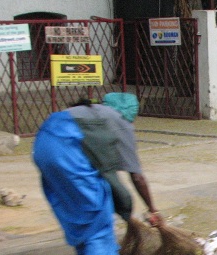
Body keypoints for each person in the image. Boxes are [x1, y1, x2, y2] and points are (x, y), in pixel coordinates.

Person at [32, 110, 122, 255]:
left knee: (76, 212)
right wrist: (129, 208)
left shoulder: (88, 113)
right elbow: (130, 174)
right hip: (67, 158)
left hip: (43, 147)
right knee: (99, 220)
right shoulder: (118, 121)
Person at [67, 93, 163, 227]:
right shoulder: (120, 122)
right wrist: (152, 209)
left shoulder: (93, 112)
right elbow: (137, 177)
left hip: (47, 146)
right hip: (62, 150)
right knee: (119, 197)